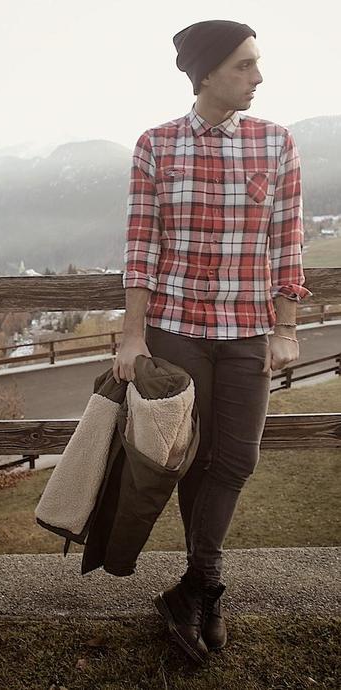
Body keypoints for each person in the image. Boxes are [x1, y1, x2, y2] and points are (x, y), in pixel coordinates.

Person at [112, 19, 312, 664]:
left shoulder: (276, 144)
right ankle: (207, 590)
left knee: (237, 460)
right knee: (191, 462)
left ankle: (197, 584)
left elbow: (288, 245)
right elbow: (141, 248)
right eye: (244, 65)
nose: (258, 77)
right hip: (176, 330)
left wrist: (285, 329)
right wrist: (132, 337)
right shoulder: (156, 145)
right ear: (205, 73)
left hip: (249, 332)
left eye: (256, 64)